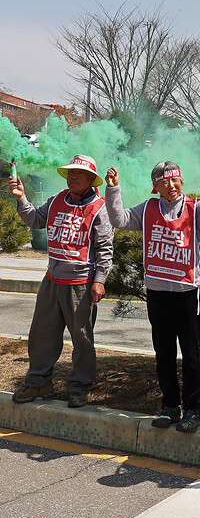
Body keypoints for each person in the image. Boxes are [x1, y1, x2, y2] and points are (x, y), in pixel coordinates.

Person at [104, 158, 200, 433]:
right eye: (164, 181)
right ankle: (170, 407)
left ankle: (192, 410)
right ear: (155, 186)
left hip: (188, 293)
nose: (171, 185)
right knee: (163, 353)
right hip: (158, 294)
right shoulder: (147, 209)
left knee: (191, 354)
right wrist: (113, 190)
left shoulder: (196, 209)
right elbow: (118, 219)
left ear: (182, 181)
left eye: (175, 179)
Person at [8, 154, 113, 408]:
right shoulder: (55, 200)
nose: (73, 177)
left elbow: (105, 249)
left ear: (90, 179)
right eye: (70, 173)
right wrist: (21, 197)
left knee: (82, 340)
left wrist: (99, 280)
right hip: (51, 281)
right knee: (41, 336)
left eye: (79, 174)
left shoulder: (99, 207)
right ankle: (39, 383)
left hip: (81, 285)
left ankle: (79, 388)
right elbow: (34, 220)